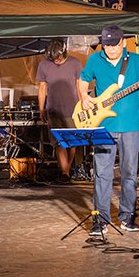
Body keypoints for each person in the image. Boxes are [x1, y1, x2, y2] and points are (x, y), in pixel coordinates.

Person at [78, 25, 139, 236]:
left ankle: (127, 217)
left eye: (114, 45)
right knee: (102, 173)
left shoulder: (137, 61)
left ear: (123, 42)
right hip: (103, 125)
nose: (111, 49)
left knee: (129, 174)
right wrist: (85, 97)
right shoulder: (95, 59)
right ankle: (100, 220)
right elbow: (83, 80)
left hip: (131, 126)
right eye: (106, 45)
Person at [37, 38, 83, 184]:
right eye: (53, 59)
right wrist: (41, 108)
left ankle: (66, 170)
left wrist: (83, 104)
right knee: (59, 142)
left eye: (58, 58)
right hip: (54, 110)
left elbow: (79, 85)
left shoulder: (75, 63)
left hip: (73, 109)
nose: (56, 61)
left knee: (73, 143)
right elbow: (42, 87)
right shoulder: (44, 65)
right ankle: (64, 173)